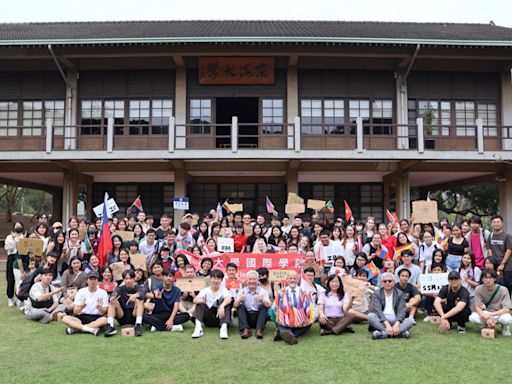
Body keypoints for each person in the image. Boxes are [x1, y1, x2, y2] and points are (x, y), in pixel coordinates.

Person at [272, 270, 315, 345]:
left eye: (294, 278)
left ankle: (281, 335)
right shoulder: (281, 291)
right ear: (287, 279)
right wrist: (279, 297)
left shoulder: (305, 291)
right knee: (280, 323)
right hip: (285, 322)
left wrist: (309, 319)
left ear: (298, 279)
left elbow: (311, 307)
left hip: (300, 322)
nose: (292, 280)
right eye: (290, 278)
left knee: (309, 324)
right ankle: (290, 335)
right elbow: (274, 308)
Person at [368, 272, 414, 339]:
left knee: (410, 321)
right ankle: (399, 333)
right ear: (381, 283)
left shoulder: (400, 293)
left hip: (396, 319)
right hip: (382, 320)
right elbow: (378, 310)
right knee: (370, 316)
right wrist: (387, 324)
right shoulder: (376, 294)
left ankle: (384, 334)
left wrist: (397, 324)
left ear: (394, 282)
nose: (387, 283)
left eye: (389, 281)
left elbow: (402, 310)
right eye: (385, 281)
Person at [61, 271, 109, 336]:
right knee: (65, 318)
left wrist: (99, 308)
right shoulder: (81, 291)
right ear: (87, 280)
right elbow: (75, 311)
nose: (92, 281)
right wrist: (81, 307)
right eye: (90, 279)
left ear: (98, 280)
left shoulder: (103, 293)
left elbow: (104, 312)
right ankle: (90, 329)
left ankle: (76, 328)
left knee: (104, 320)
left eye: (95, 279)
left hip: (97, 318)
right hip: (81, 317)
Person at [469, 269, 512, 336]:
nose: (488, 280)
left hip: (498, 313)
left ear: (495, 279)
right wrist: (487, 318)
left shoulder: (503, 289)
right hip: (485, 313)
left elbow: (507, 309)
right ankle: (485, 324)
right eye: (485, 278)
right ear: (482, 279)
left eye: (490, 278)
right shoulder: (478, 289)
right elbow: (477, 307)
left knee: (508, 318)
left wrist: (490, 315)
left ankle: (504, 326)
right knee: (472, 317)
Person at [192, 269, 232, 339]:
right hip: (209, 319)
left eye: (218, 278)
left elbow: (229, 298)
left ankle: (223, 329)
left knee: (226, 304)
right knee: (200, 303)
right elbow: (195, 300)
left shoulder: (223, 289)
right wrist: (202, 300)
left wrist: (222, 306)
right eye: (214, 278)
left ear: (221, 280)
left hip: (221, 318)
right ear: (210, 279)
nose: (216, 281)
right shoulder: (205, 290)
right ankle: (198, 329)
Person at [104, 270, 145, 337]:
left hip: (134, 315)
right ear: (123, 280)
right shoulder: (119, 289)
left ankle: (138, 325)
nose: (128, 280)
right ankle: (110, 326)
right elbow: (114, 293)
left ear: (134, 279)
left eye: (130, 278)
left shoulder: (139, 287)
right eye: (126, 279)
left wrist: (135, 295)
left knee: (140, 300)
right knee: (113, 301)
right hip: (122, 315)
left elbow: (143, 293)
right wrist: (112, 297)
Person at [233, 270, 271, 339]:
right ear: (247, 280)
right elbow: (235, 306)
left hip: (259, 318)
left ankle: (259, 330)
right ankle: (245, 330)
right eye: (250, 279)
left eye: (254, 279)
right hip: (247, 318)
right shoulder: (242, 291)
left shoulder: (263, 292)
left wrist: (261, 300)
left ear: (258, 280)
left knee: (263, 306)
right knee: (240, 306)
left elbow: (269, 305)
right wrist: (239, 300)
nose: (252, 281)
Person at [487, 215, 512, 294]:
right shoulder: (490, 236)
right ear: (491, 224)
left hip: (507, 265)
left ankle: (508, 304)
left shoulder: (507, 236)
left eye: (498, 222)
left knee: (507, 284)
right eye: (494, 222)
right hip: (495, 264)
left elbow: (509, 250)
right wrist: (492, 263)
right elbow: (489, 249)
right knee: (496, 284)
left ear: (502, 223)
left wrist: (502, 264)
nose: (496, 224)